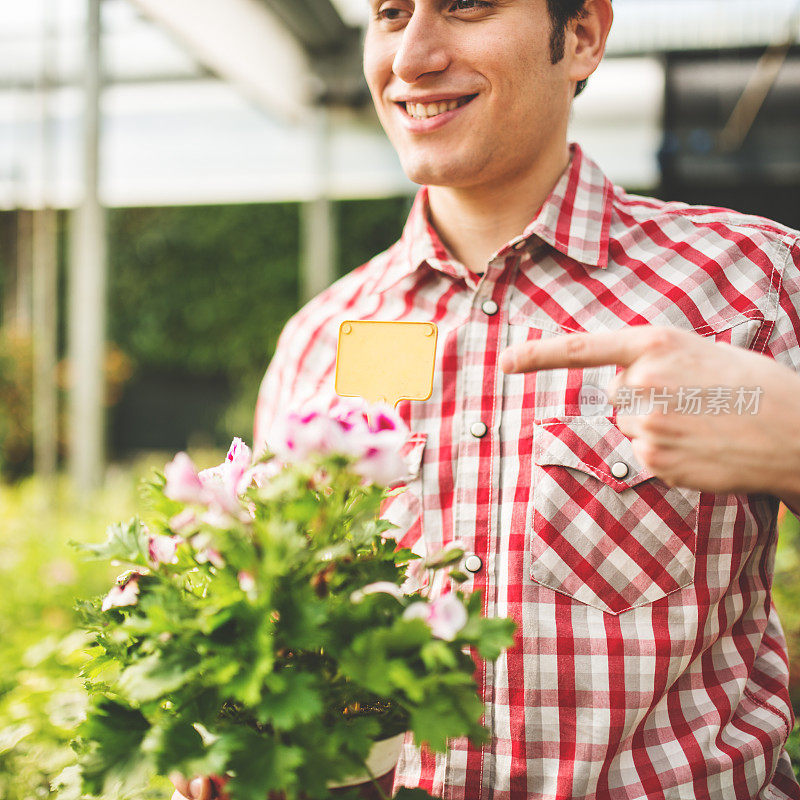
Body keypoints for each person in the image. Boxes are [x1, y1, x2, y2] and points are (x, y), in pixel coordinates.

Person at [173, 1, 800, 798]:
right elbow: (285, 637)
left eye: (466, 5)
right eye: (391, 13)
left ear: (580, 36)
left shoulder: (749, 283)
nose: (412, 58)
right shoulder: (317, 339)